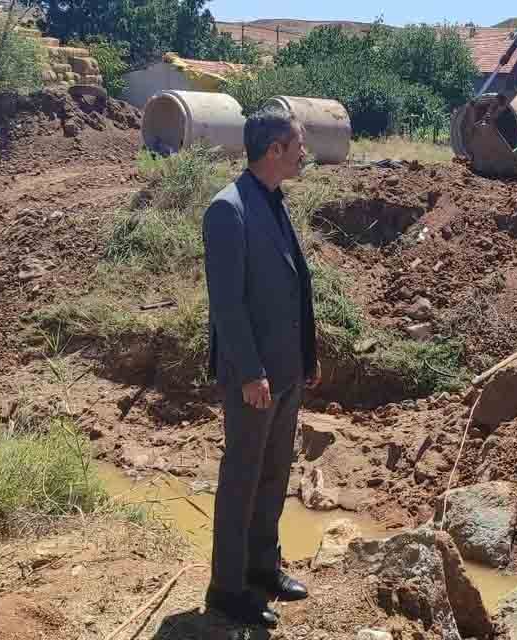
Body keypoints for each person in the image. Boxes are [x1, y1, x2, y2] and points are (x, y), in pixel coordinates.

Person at [202, 106, 320, 628]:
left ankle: (262, 568)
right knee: (242, 478)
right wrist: (250, 372)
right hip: (254, 376)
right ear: (274, 149)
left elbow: (295, 285)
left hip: (286, 370)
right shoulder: (228, 210)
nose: (304, 151)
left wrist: (306, 358)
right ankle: (227, 588)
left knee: (274, 474)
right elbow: (227, 305)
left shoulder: (272, 201)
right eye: (298, 143)